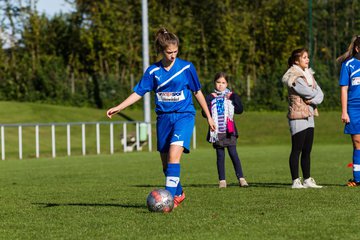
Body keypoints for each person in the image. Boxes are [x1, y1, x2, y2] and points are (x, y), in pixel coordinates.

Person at [106, 27, 216, 207]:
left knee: (174, 157)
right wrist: (119, 107)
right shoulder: (153, 71)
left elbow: (197, 92)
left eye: (175, 51)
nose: (173, 55)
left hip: (184, 116)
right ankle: (178, 192)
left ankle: (168, 201)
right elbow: (139, 92)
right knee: (166, 167)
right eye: (169, 52)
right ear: (161, 51)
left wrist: (208, 116)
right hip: (164, 119)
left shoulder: (187, 68)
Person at [282, 48, 324, 189]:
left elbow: (320, 94)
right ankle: (295, 181)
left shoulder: (308, 75)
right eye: (304, 57)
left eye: (307, 57)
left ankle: (307, 179)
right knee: (297, 149)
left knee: (307, 150)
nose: (307, 59)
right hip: (297, 116)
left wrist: (313, 100)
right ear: (296, 61)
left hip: (310, 115)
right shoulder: (294, 76)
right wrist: (314, 95)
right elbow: (307, 92)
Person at [202, 72, 248, 188]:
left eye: (223, 83)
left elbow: (240, 110)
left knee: (233, 154)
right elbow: (204, 113)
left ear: (227, 84)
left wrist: (232, 97)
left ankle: (241, 178)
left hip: (229, 130)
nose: (220, 85)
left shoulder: (231, 95)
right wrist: (211, 101)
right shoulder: (210, 97)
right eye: (218, 82)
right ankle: (222, 180)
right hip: (217, 131)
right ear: (214, 83)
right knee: (220, 156)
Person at [337, 36, 360, 187]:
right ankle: (357, 179)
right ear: (358, 49)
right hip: (353, 108)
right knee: (358, 142)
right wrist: (344, 112)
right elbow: (344, 89)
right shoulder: (348, 65)